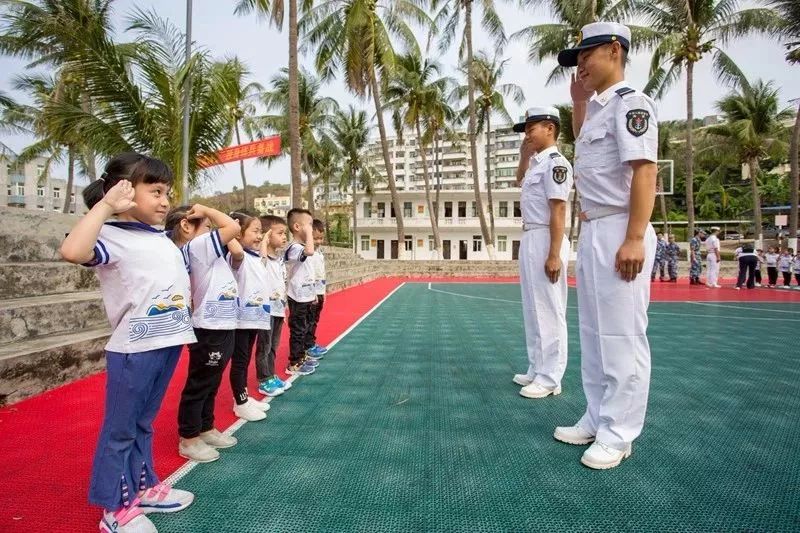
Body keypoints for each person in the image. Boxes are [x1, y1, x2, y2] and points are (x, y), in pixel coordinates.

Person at [60, 153, 195, 533]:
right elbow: (72, 251)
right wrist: (105, 206)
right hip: (134, 349)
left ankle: (144, 486)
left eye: (166, 192)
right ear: (122, 190)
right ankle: (114, 508)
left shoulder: (158, 237)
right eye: (154, 191)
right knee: (120, 429)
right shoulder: (109, 234)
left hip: (168, 342)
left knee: (143, 423)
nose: (165, 200)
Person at [554, 22, 658, 469]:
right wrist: (578, 102)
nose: (581, 64)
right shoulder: (597, 110)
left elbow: (644, 171)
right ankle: (597, 417)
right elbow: (588, 148)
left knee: (621, 335)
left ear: (614, 50)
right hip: (595, 228)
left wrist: (635, 237)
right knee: (595, 333)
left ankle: (620, 433)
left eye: (586, 55)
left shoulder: (632, 103)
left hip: (621, 229)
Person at [166, 205, 242, 464]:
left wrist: (206, 218)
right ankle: (188, 438)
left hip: (224, 323)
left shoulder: (209, 251)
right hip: (209, 326)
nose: (214, 231)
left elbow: (237, 248)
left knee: (212, 381)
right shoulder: (196, 247)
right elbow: (233, 228)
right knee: (199, 383)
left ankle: (206, 427)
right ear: (187, 227)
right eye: (208, 227)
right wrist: (206, 209)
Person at [509, 105, 572, 399]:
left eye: (530, 129)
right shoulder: (535, 164)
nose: (527, 136)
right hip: (531, 236)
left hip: (547, 237)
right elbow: (519, 180)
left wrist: (553, 254)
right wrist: (523, 155)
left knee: (550, 309)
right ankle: (537, 367)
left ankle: (551, 378)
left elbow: (558, 210)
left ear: (549, 128)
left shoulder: (556, 164)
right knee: (533, 308)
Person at [228, 212, 272, 422]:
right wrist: (230, 228)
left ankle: (243, 396)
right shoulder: (238, 256)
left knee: (245, 361)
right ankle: (240, 402)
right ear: (238, 234)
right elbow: (235, 247)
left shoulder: (255, 257)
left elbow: (263, 257)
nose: (258, 236)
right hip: (241, 320)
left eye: (260, 231)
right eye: (254, 231)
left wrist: (263, 239)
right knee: (240, 361)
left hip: (255, 318)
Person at [255, 215, 292, 397]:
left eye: (285, 233)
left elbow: (281, 285)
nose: (284, 237)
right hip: (265, 311)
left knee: (273, 346)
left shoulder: (278, 260)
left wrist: (284, 311)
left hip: (278, 310)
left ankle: (271, 374)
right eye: (280, 233)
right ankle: (264, 380)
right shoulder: (261, 259)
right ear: (268, 236)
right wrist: (264, 240)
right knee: (264, 346)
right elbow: (260, 268)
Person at [285, 208, 319, 376]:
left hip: (306, 296)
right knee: (298, 330)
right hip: (296, 297)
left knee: (304, 328)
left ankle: (302, 356)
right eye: (309, 225)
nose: (311, 229)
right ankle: (294, 363)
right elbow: (310, 251)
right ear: (297, 227)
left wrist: (313, 295)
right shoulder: (294, 247)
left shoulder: (302, 246)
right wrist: (309, 234)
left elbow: (309, 274)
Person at [305, 219, 329, 358]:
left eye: (321, 238)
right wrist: (313, 293)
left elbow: (322, 274)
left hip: (319, 292)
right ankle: (307, 346)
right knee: (309, 321)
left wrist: (323, 293)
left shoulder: (319, 253)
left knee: (315, 320)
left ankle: (311, 344)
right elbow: (309, 275)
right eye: (316, 238)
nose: (319, 241)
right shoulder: (308, 254)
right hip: (311, 294)